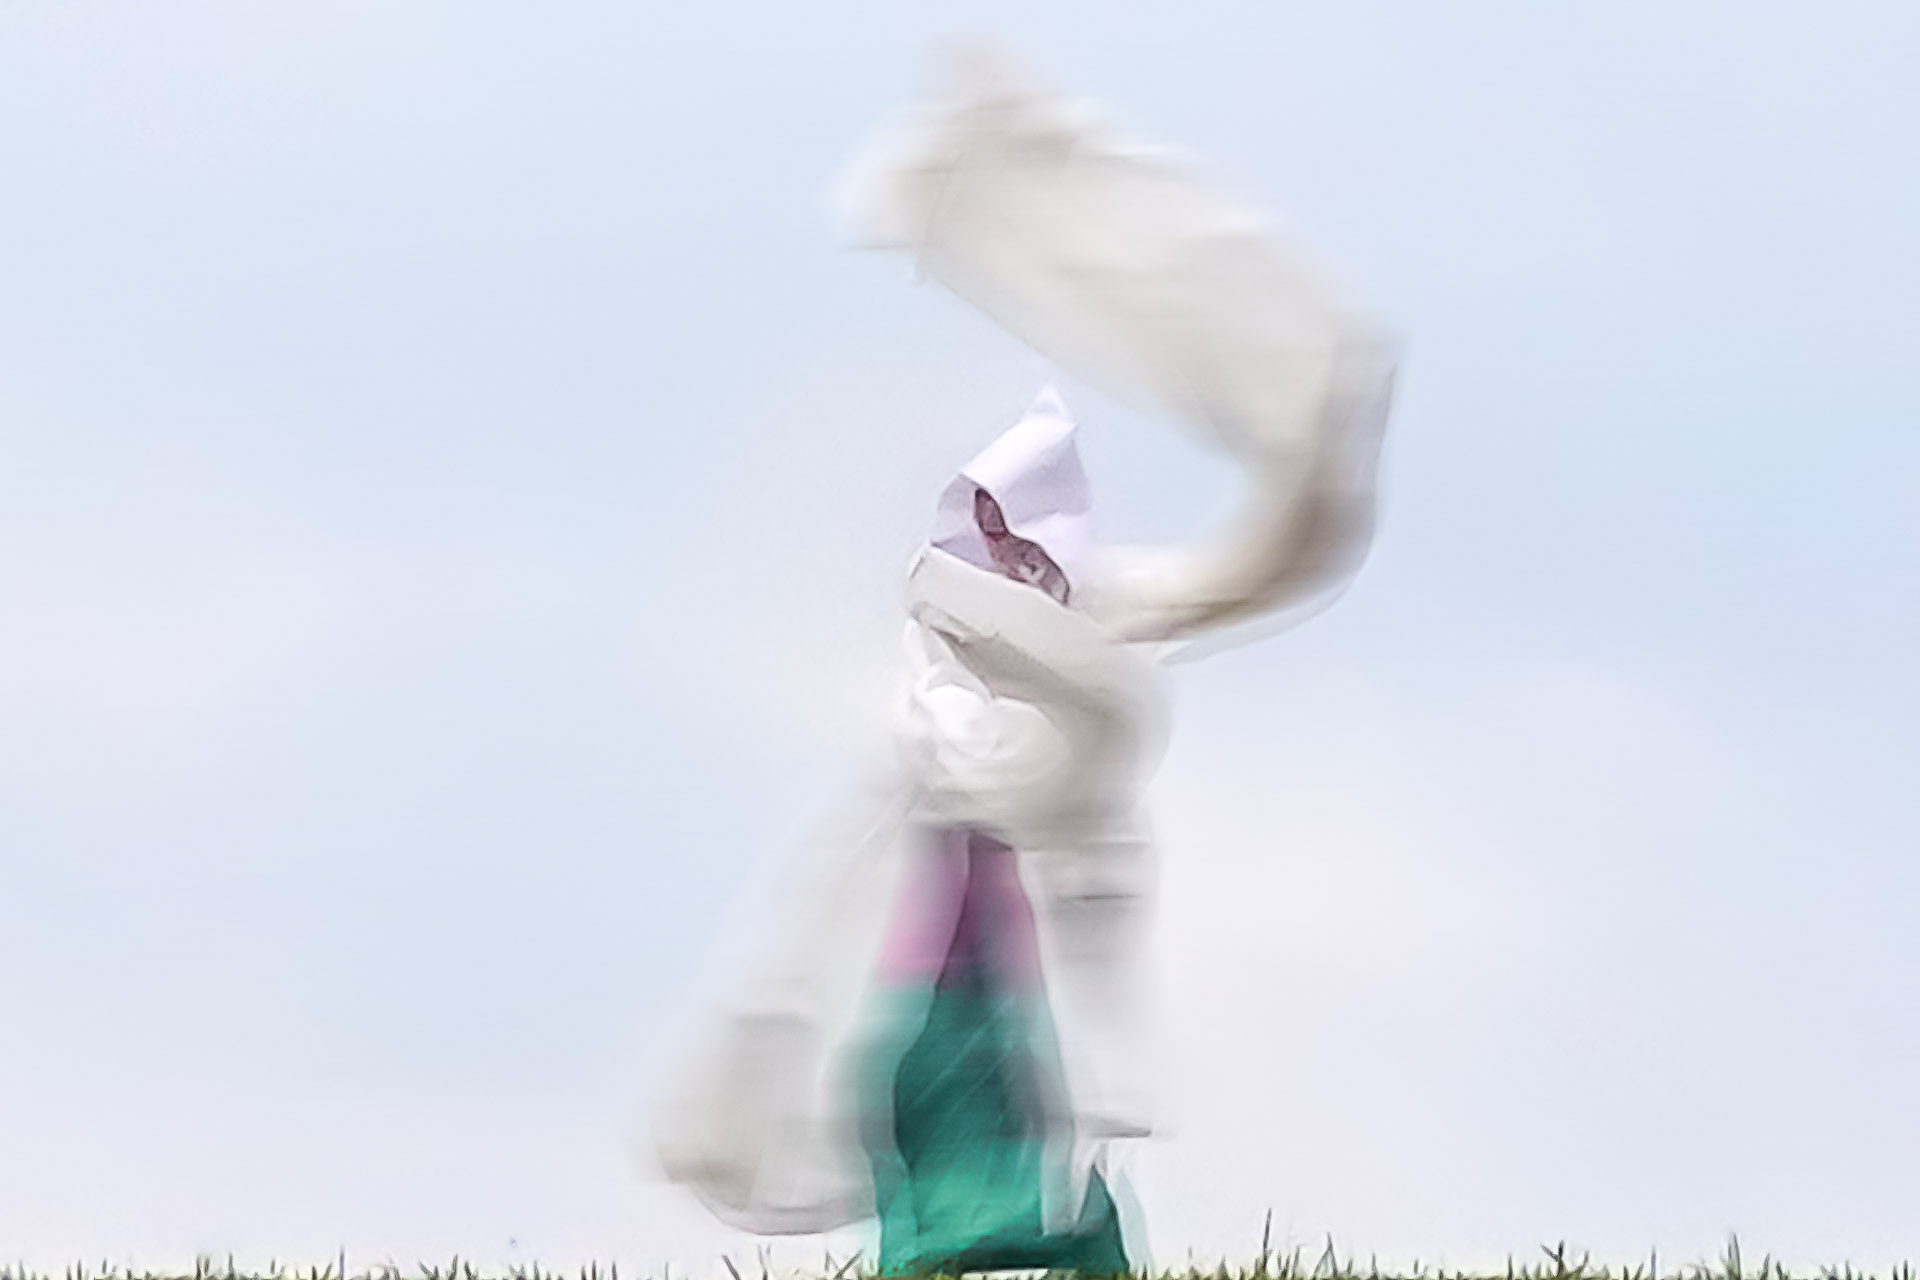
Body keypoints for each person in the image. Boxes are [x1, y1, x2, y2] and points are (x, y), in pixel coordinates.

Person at [647, 49, 1398, 1277]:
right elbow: (942, 752)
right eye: (981, 535)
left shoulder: (1087, 662)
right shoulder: (948, 698)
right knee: (930, 1151)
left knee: (1022, 1178)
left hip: (1015, 1000)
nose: (993, 562)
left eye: (1013, 541)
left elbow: (1095, 696)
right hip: (932, 987)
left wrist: (950, 592)